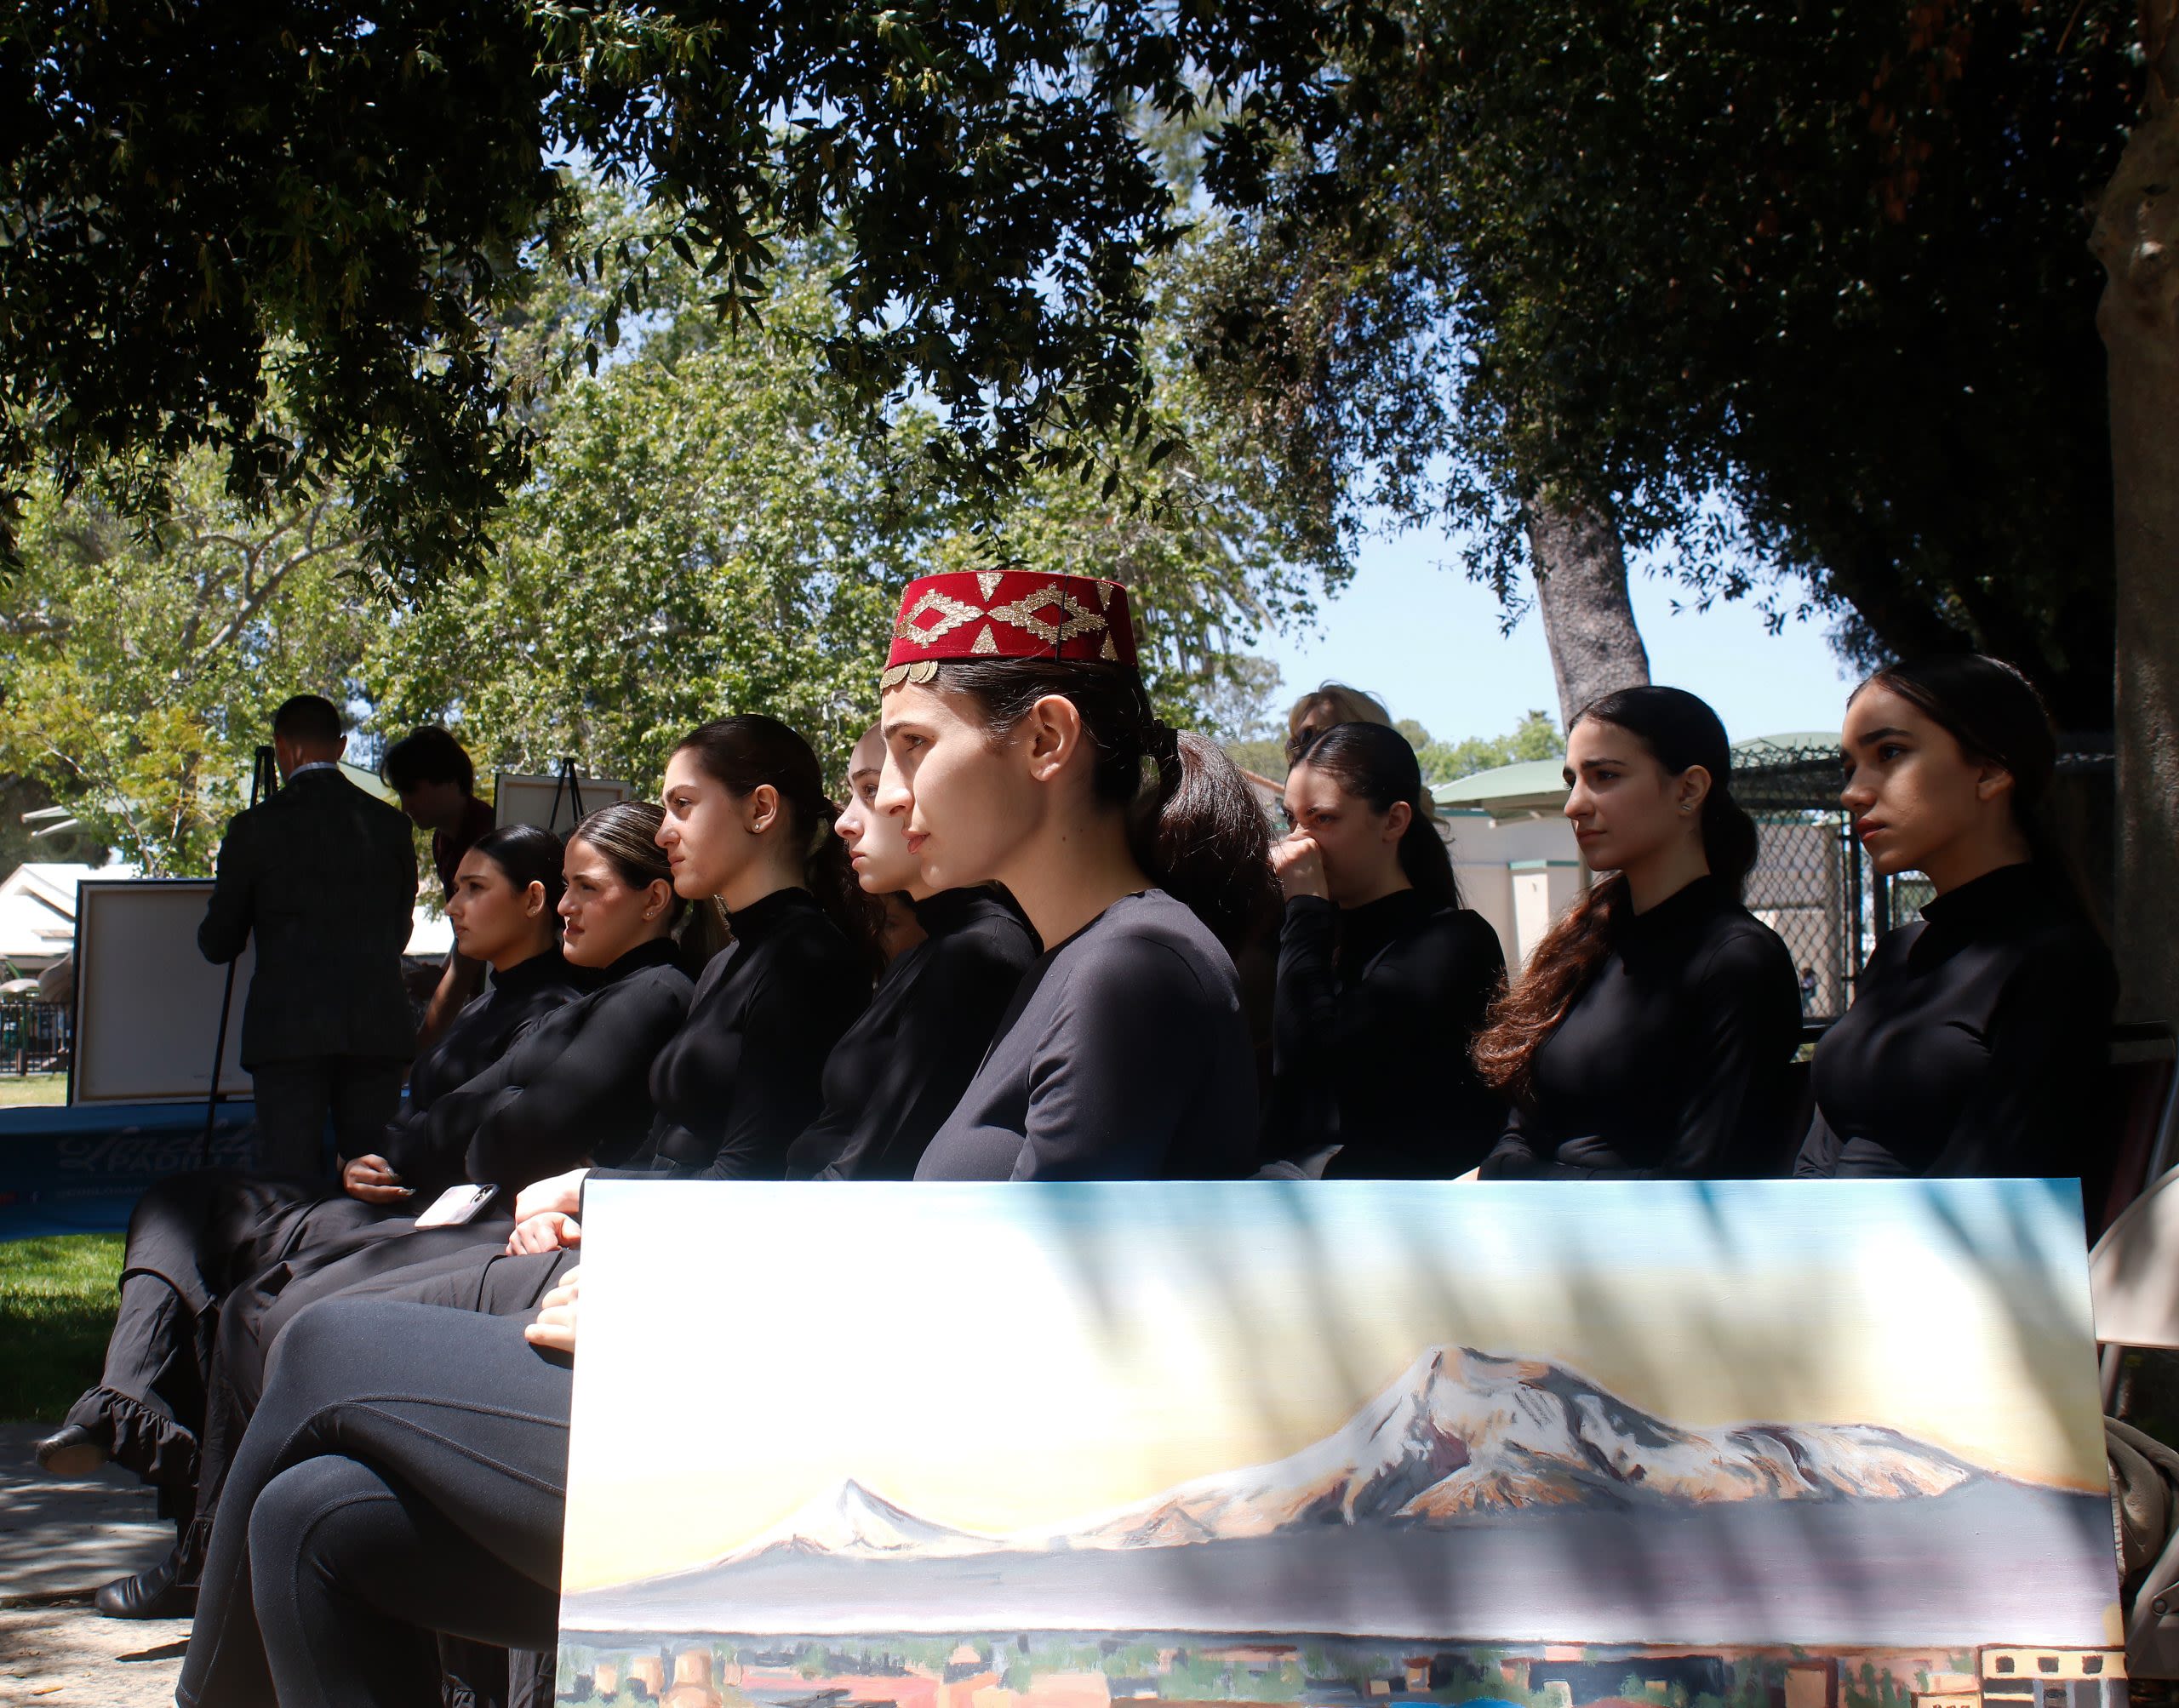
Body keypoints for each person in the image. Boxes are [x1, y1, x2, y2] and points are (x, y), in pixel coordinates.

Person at [173, 574, 1273, 1708]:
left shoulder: (1134, 967)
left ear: (1045, 739)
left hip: (897, 1472)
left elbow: (1031, 1322)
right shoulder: (1085, 961)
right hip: (852, 1419)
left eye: (909, 746)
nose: (885, 796)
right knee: (317, 1521)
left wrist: (679, 1310)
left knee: (322, 1348)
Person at [123, 803, 696, 1625]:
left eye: (585, 887)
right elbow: (486, 1107)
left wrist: (565, 1186)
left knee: (291, 1314)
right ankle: (204, 1528)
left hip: (525, 1231)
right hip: (490, 1210)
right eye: (565, 886)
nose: (569, 904)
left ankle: (232, 1567)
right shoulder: (591, 993)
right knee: (253, 1286)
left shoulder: (648, 991)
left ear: (652, 899)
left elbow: (518, 1126)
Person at [37, 825, 582, 1617]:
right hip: (397, 1202)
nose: (454, 905)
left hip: (455, 1223)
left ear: (532, 901)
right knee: (179, 1204)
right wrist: (375, 1159)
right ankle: (123, 1406)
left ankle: (193, 1529)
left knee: (258, 1284)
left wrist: (401, 1157)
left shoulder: (560, 1006)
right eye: (453, 887)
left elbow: (488, 1131)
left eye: (474, 888)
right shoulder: (482, 994)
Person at [1794, 655, 2119, 1180]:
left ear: (1990, 770)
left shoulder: (2056, 959)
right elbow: (1816, 1156)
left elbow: (1994, 1191)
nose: (1852, 793)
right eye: (1849, 767)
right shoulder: (1896, 953)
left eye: (1890, 752)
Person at [1474, 686, 1802, 1180]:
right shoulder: (1587, 942)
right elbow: (1521, 1126)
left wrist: (1517, 1179)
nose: (1574, 805)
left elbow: (1699, 1187)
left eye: (1605, 776)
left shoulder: (1737, 961)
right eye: (1572, 781)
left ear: (1689, 790)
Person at [784, 723, 1040, 1180]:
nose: (844, 822)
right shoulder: (930, 952)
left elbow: (871, 1173)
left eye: (870, 789)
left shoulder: (979, 955)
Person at [1266, 720, 1507, 1176]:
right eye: (1290, 819)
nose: (1299, 842)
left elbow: (1313, 1065)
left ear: (1394, 821)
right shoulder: (1315, 929)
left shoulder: (1453, 941)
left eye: (1323, 819)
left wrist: (1304, 908)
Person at [201, 694, 418, 1178]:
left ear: (281, 747)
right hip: (375, 1026)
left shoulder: (253, 828)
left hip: (287, 1031)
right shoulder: (390, 825)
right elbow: (400, 930)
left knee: (289, 1177)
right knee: (374, 1175)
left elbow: (219, 943)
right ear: (341, 747)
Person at [383, 726, 497, 1049]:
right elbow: (464, 936)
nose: (405, 805)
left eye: (411, 790)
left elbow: (476, 947)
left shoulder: (485, 834)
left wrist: (420, 1050)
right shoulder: (442, 839)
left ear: (447, 780)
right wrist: (441, 975)